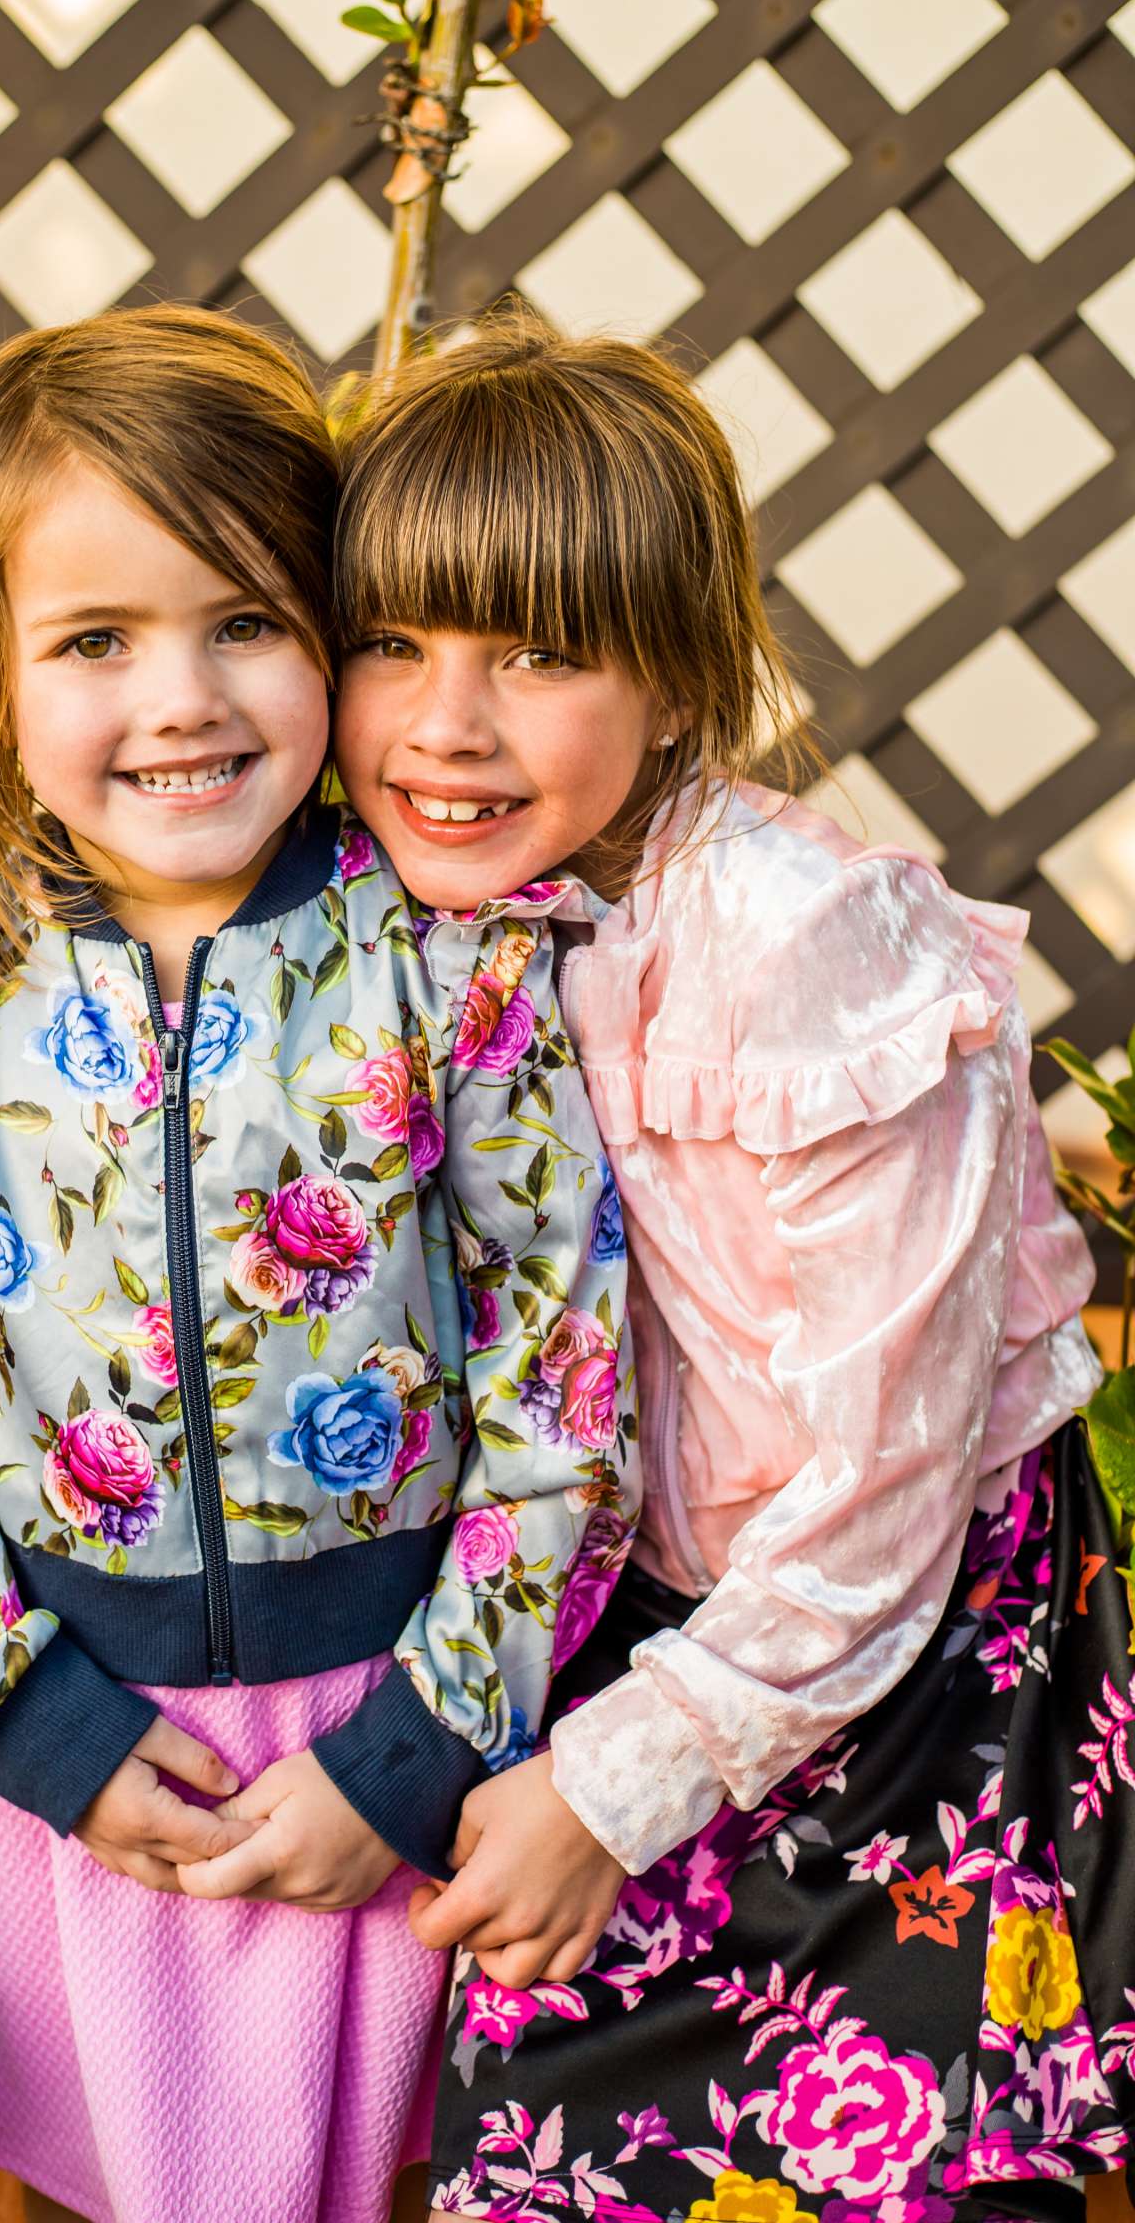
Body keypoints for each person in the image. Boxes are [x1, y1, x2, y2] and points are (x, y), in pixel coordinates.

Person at [0, 305, 638, 2223]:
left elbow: (559, 1376)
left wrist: (420, 1748)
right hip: (84, 1751)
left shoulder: (447, 967)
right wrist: (35, 1728)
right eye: (93, 641)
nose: (185, 699)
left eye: (248, 620)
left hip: (401, 1743)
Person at [328, 313, 1127, 2223]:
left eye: (540, 652)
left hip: (908, 1645)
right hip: (642, 1599)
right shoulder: (415, 908)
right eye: (394, 643)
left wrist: (615, 1785)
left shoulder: (801, 955)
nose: (447, 721)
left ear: (679, 680)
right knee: (560, 2161)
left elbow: (884, 1480)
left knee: (891, 2174)